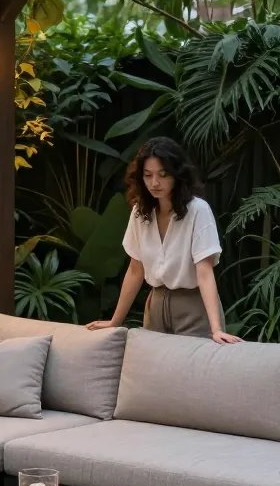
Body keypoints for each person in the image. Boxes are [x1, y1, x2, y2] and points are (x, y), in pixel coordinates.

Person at [86, 137, 241, 343]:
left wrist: (216, 329)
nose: (155, 183)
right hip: (155, 307)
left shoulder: (197, 211)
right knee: (154, 373)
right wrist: (115, 321)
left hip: (193, 308)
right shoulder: (140, 213)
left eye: (163, 174)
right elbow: (135, 270)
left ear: (177, 175)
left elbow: (204, 272)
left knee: (191, 373)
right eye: (148, 175)